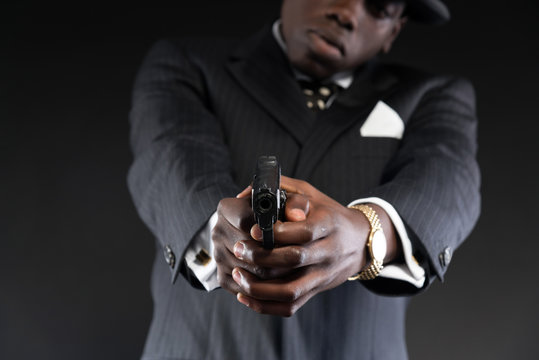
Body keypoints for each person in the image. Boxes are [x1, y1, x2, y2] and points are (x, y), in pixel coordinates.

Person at [127, 0, 480, 359]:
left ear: (394, 31)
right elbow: (170, 159)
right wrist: (220, 232)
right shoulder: (187, 64)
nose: (346, 13)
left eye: (379, 6)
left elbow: (448, 181)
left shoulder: (430, 96)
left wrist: (367, 235)